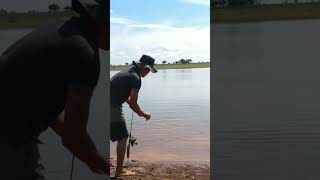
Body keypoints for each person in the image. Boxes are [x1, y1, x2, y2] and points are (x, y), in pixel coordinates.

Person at [0, 0, 110, 179]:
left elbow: (39, 103)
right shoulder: (84, 53)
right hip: (9, 136)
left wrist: (89, 156)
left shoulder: (61, 31)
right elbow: (74, 137)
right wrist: (108, 167)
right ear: (106, 23)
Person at [110, 54, 158, 177]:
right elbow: (133, 104)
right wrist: (144, 114)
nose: (148, 73)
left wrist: (131, 104)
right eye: (149, 70)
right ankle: (119, 172)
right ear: (145, 68)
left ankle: (112, 167)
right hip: (111, 106)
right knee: (123, 137)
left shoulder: (126, 72)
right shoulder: (136, 78)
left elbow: (121, 93)